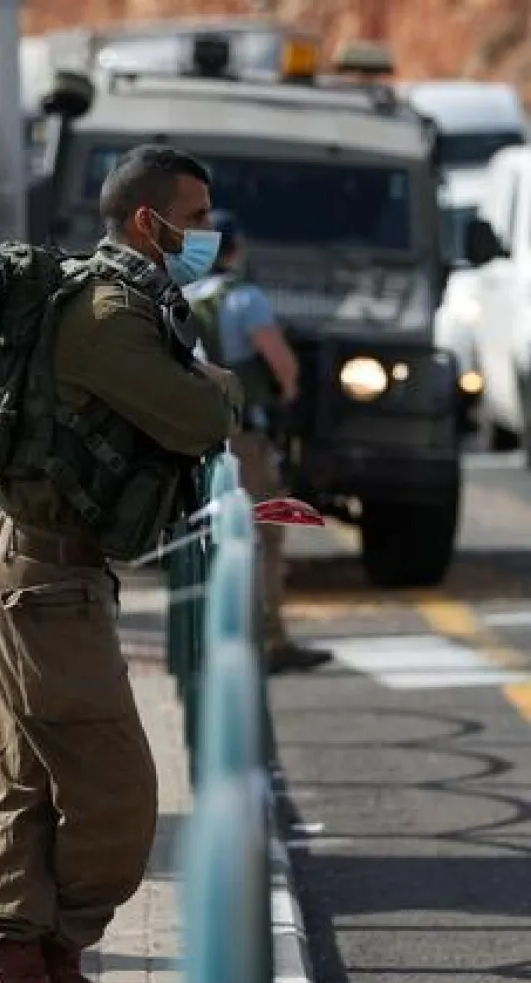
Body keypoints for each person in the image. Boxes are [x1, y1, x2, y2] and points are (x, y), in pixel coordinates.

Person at [0, 145, 244, 983]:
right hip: (46, 580)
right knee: (121, 793)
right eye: (197, 217)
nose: (208, 234)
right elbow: (199, 418)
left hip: (37, 569)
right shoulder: (109, 313)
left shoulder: (116, 300)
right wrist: (224, 384)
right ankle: (47, 957)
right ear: (146, 222)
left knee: (32, 786)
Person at [185, 212, 333, 674]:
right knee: (265, 533)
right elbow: (279, 360)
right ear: (234, 251)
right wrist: (288, 392)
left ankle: (208, 637)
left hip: (195, 437)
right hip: (243, 435)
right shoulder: (244, 299)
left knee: (208, 537)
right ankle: (269, 640)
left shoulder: (182, 298)